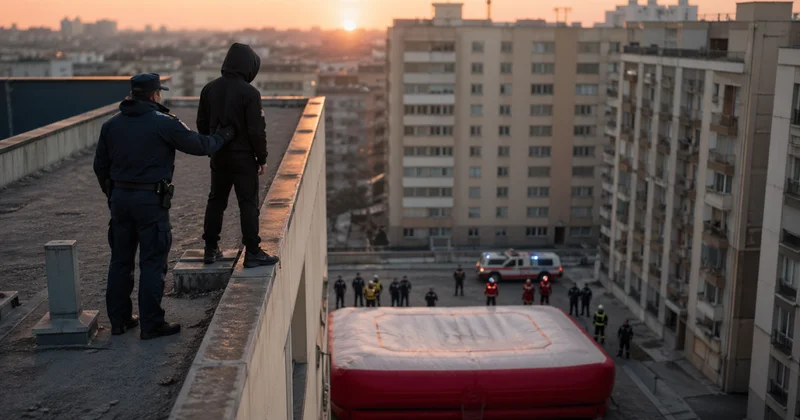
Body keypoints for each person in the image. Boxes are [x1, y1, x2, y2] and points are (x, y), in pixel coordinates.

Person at [94, 73, 234, 340]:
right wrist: (223, 136)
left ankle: (119, 321)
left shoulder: (111, 125)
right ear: (154, 95)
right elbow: (199, 145)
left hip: (120, 201)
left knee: (120, 261)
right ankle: (151, 324)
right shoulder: (163, 123)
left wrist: (113, 194)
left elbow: (99, 166)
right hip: (150, 202)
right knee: (152, 262)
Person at [199, 43, 279, 268]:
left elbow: (202, 124)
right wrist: (261, 158)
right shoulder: (250, 93)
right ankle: (252, 251)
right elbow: (256, 130)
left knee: (216, 200)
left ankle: (210, 248)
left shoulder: (209, 89)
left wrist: (212, 145)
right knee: (248, 203)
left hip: (219, 155)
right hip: (243, 158)